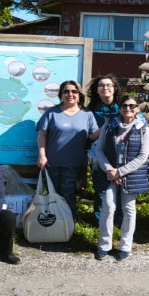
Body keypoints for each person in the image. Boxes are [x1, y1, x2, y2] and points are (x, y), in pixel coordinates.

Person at [93, 96, 149, 261]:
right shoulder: (109, 125)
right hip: (109, 173)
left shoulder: (143, 128)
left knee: (128, 209)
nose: (128, 108)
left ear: (138, 108)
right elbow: (99, 150)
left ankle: (125, 246)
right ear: (120, 108)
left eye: (132, 105)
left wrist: (121, 172)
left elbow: (142, 156)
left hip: (130, 175)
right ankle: (104, 245)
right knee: (108, 206)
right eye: (125, 105)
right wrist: (110, 170)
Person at [37, 80, 100, 219]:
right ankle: (53, 225)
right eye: (66, 91)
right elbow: (42, 135)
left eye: (74, 91)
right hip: (51, 163)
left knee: (68, 194)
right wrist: (42, 155)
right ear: (61, 94)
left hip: (74, 164)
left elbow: (93, 136)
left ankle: (68, 226)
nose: (70, 94)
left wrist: (107, 125)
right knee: (53, 194)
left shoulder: (87, 114)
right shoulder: (52, 112)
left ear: (79, 94)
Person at [86, 75, 124, 224]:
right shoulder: (91, 109)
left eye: (109, 85)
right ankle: (100, 221)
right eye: (101, 85)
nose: (105, 88)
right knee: (101, 188)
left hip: (121, 153)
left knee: (120, 186)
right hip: (98, 153)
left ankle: (119, 220)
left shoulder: (123, 106)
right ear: (97, 90)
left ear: (115, 88)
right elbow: (89, 136)